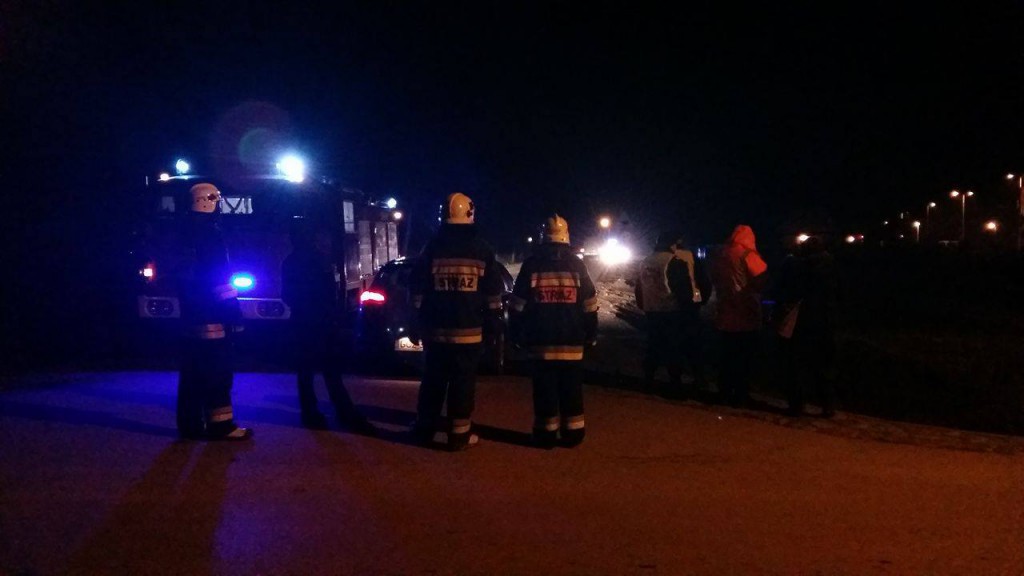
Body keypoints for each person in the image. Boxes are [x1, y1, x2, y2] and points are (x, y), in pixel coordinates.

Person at [408, 192, 505, 451]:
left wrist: (415, 322)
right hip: (469, 334)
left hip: (436, 333)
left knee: (433, 382)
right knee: (463, 384)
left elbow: (416, 290)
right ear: (471, 214)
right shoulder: (482, 249)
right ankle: (458, 436)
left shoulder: (431, 248)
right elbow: (493, 295)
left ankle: (425, 430)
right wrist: (493, 327)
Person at [509, 214, 598, 449]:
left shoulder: (532, 265)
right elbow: (590, 304)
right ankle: (574, 433)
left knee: (544, 390)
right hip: (572, 343)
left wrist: (515, 334)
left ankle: (545, 435)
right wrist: (591, 334)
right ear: (566, 236)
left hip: (541, 344)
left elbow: (517, 305)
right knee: (572, 390)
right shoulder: (577, 265)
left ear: (543, 237)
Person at [281, 217, 375, 433]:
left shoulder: (290, 262)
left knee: (305, 372)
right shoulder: (319, 260)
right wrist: (333, 317)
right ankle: (344, 413)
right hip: (321, 322)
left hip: (301, 322)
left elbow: (286, 295)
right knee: (331, 370)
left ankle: (310, 413)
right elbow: (329, 292)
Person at [176, 182, 252, 441]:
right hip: (213, 318)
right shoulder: (210, 235)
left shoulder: (183, 233)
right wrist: (234, 314)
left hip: (190, 316)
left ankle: (190, 426)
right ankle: (221, 426)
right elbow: (220, 280)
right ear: (207, 202)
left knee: (191, 373)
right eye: (217, 202)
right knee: (218, 373)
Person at [773, 235, 838, 417]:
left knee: (796, 365)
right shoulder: (831, 266)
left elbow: (781, 289)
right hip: (825, 321)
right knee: (823, 365)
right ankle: (827, 404)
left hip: (800, 321)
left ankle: (797, 404)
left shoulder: (795, 266)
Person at [635, 232, 703, 398]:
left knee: (653, 347)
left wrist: (644, 305)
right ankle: (675, 385)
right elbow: (682, 289)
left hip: (652, 311)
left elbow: (639, 287)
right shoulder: (673, 261)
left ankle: (648, 381)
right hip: (670, 311)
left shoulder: (646, 261)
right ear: (671, 244)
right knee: (674, 349)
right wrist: (689, 308)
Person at [709, 224, 768, 407]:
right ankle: (741, 394)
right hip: (745, 314)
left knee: (726, 356)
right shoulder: (748, 255)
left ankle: (724, 392)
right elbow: (761, 280)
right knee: (744, 357)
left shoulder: (721, 254)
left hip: (724, 313)